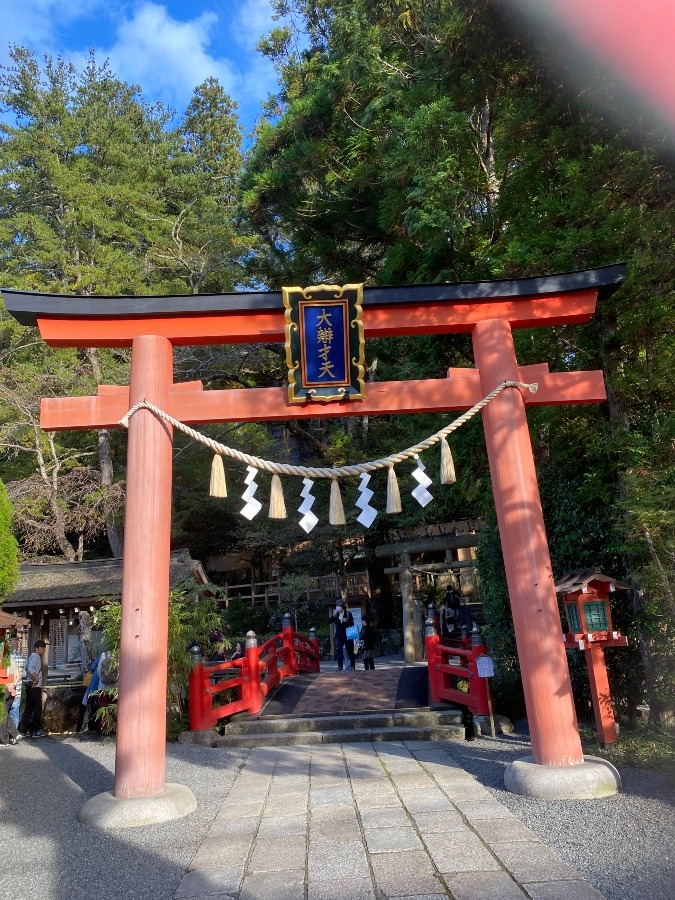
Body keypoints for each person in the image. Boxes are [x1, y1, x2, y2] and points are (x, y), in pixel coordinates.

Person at [19, 639, 47, 738]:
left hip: (28, 684)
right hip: (34, 686)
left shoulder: (31, 656)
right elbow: (31, 669)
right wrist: (35, 679)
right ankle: (36, 730)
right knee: (37, 708)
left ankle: (24, 729)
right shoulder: (36, 657)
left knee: (29, 707)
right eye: (42, 648)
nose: (44, 650)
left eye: (44, 648)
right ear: (37, 648)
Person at [328, 603, 355, 671]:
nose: (338, 607)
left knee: (350, 651)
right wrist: (334, 615)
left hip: (347, 634)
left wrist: (347, 620)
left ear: (342, 607)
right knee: (339, 651)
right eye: (337, 606)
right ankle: (340, 666)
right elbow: (329, 621)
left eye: (339, 606)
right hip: (339, 635)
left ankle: (352, 665)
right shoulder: (336, 615)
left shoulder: (348, 613)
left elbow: (352, 623)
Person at [8, 637, 26, 728]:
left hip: (8, 688)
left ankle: (8, 733)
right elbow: (22, 674)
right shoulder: (22, 657)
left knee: (8, 713)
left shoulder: (8, 657)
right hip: (18, 688)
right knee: (15, 711)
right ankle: (15, 733)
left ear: (11, 645)